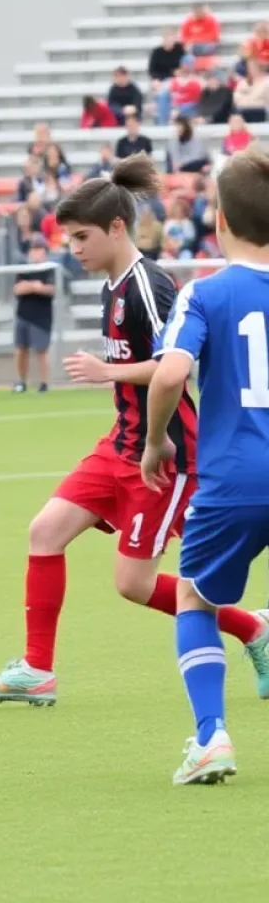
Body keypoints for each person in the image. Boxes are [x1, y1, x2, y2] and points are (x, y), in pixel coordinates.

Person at [0, 154, 269, 707]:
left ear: (118, 228)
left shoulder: (149, 287)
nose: (73, 249)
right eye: (69, 239)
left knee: (134, 585)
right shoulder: (112, 286)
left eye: (81, 237)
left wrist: (110, 372)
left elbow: (174, 365)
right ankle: (37, 670)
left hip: (166, 451)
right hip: (119, 444)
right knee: (44, 531)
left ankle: (253, 630)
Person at [140, 145, 269, 784]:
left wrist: (155, 441)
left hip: (236, 477)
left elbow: (170, 372)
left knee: (194, 598)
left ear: (218, 220)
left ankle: (212, 737)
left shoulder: (204, 294)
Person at [12, 235, 55, 395]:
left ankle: (44, 383)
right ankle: (21, 382)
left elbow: (51, 289)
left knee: (41, 351)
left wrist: (35, 287)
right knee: (20, 350)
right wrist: (34, 286)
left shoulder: (49, 269)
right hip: (23, 314)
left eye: (39, 249)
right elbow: (17, 289)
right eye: (33, 249)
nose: (36, 253)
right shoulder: (24, 269)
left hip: (41, 316)